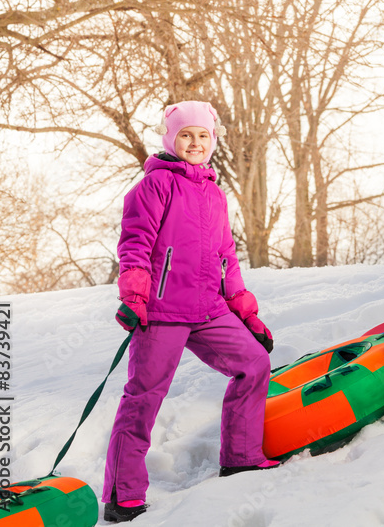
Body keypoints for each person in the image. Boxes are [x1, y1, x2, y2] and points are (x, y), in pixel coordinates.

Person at [102, 101, 279, 522]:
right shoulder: (154, 186)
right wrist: (135, 295)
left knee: (253, 364)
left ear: (212, 141)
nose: (195, 143)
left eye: (202, 136)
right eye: (186, 135)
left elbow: (226, 255)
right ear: (171, 139)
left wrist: (244, 310)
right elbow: (135, 243)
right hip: (162, 310)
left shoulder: (215, 192)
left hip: (208, 309)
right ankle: (122, 495)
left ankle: (240, 458)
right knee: (144, 398)